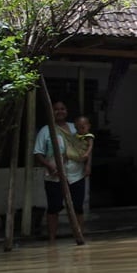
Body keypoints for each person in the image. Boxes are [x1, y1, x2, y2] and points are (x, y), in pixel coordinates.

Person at [33, 101, 87, 242]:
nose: (59, 111)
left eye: (62, 108)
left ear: (66, 111)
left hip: (76, 175)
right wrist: (50, 166)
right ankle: (52, 239)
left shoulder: (74, 128)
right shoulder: (45, 131)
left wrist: (88, 165)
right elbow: (38, 154)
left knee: (78, 207)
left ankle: (79, 236)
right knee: (53, 208)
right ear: (51, 111)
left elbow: (86, 145)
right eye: (56, 109)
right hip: (54, 176)